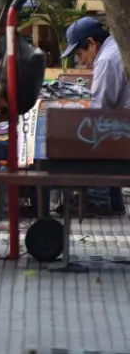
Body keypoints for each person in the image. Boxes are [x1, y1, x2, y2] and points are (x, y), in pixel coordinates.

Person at [62, 16, 127, 214]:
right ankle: (112, 198)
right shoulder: (115, 48)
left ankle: (97, 198)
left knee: (85, 130)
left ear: (91, 43)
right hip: (124, 126)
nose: (81, 61)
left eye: (80, 53)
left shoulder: (107, 59)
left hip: (123, 132)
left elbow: (99, 108)